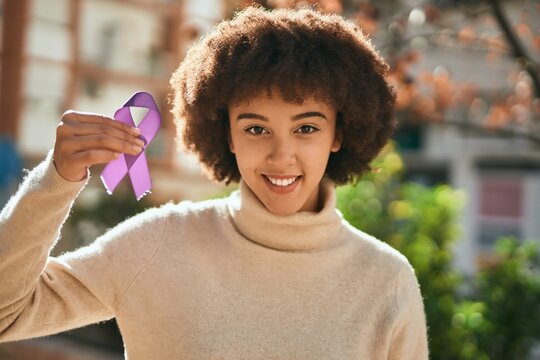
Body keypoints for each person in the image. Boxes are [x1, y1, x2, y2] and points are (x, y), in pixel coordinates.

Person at [0, 6, 429, 359]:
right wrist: (55, 182)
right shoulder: (159, 245)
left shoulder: (386, 281)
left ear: (339, 133)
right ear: (226, 134)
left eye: (306, 129)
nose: (282, 156)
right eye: (256, 129)